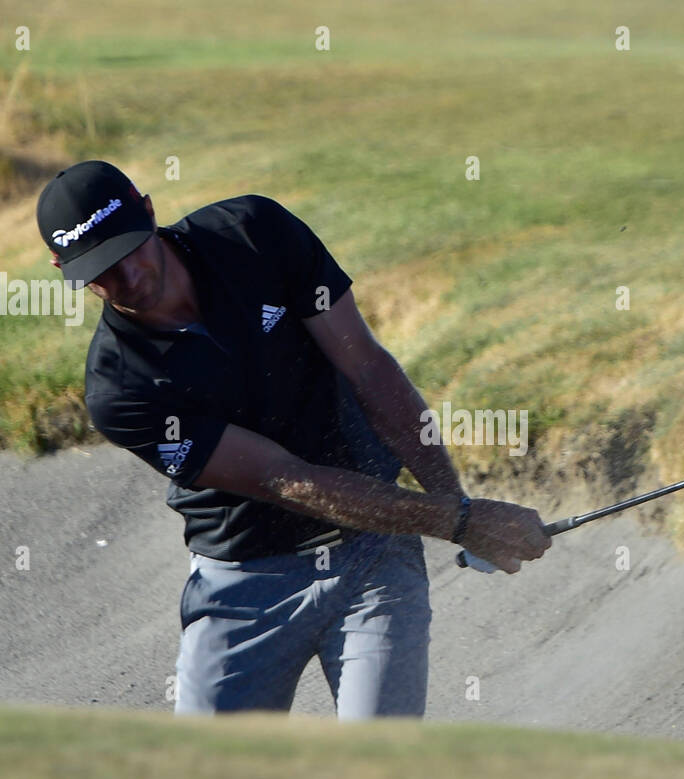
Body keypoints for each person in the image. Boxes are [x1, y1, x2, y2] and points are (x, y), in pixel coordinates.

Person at [35, 160, 550, 718]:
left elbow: (369, 370)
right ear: (64, 268)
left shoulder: (255, 234)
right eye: (101, 271)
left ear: (150, 212)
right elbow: (282, 478)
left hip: (372, 554)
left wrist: (458, 504)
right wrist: (456, 521)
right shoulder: (120, 389)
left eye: (129, 250)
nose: (126, 280)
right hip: (244, 585)